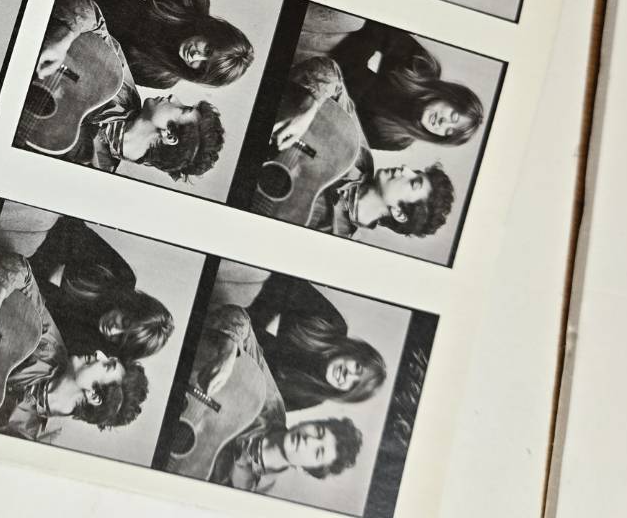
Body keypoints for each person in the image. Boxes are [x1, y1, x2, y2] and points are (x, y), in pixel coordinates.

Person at [22, 0, 225, 182]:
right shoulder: (120, 84)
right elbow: (90, 14)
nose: (174, 97)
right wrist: (64, 37)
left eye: (183, 109)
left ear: (169, 136)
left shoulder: (92, 169)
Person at [0, 248, 148, 441]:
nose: (99, 354)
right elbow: (22, 270)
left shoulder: (26, 437)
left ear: (94, 395)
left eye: (107, 365)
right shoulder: (49, 345)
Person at [183, 304, 363, 490]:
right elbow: (237, 317)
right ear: (311, 422)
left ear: (306, 470)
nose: (309, 440)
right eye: (318, 431)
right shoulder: (269, 403)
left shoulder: (249, 488)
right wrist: (229, 351)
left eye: (318, 452)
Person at [271, 21, 484, 154]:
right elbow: (377, 29)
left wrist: (357, 76)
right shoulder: (422, 66)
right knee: (350, 20)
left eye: (448, 132)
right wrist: (351, 72)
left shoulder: (397, 140)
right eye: (453, 116)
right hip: (333, 50)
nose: (443, 124)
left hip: (319, 99)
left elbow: (342, 127)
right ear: (450, 97)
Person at [88, 0, 254, 89]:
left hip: (85, 14)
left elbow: (99, 55)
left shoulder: (161, 78)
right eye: (208, 50)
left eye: (203, 65)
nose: (195, 55)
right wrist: (127, 4)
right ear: (213, 32)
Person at [24, 218, 175, 361]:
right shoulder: (122, 276)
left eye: (120, 338)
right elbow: (71, 229)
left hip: (25, 293)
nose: (113, 330)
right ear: (131, 305)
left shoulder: (95, 347)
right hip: (35, 251)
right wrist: (45, 272)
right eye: (125, 322)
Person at [246, 274, 388, 409]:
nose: (348, 375)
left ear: (347, 393)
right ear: (354, 352)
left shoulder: (312, 397)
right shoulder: (331, 323)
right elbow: (288, 282)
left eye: (354, 384)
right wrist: (249, 322)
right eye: (357, 367)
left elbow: (262, 406)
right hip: (244, 317)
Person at [308, 150, 456, 242]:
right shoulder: (360, 156)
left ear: (399, 213)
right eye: (415, 172)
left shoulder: (339, 236)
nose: (405, 168)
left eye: (414, 183)